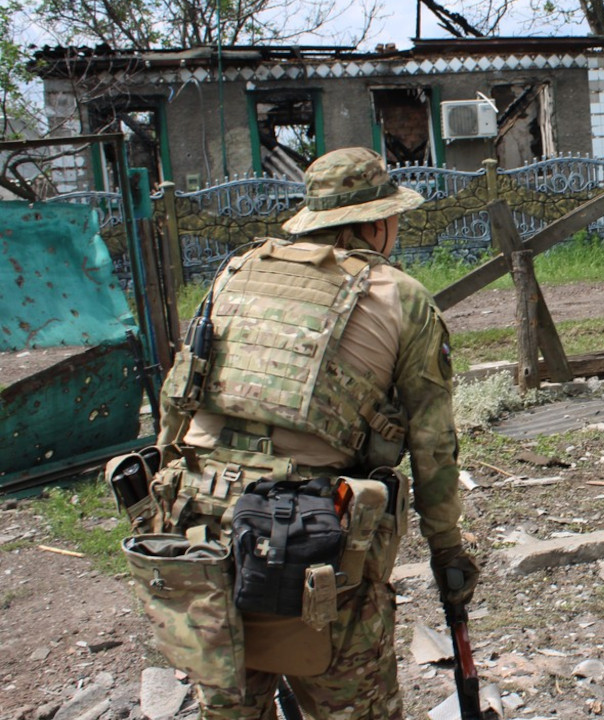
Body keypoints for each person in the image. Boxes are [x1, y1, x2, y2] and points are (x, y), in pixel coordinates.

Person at [151, 147, 478, 719]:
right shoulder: (400, 295)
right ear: (372, 224)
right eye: (392, 218)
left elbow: (178, 398)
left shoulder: (235, 272)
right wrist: (447, 549)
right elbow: (433, 444)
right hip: (310, 538)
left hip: (199, 527)